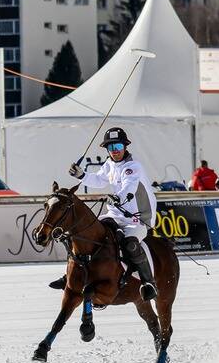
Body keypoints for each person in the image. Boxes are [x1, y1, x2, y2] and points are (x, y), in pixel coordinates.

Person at [60, 126, 159, 301]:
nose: (115, 152)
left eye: (118, 147)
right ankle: (70, 275)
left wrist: (118, 198)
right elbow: (99, 179)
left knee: (130, 244)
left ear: (125, 147)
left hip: (138, 218)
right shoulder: (109, 164)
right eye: (111, 148)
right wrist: (81, 175)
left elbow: (129, 187)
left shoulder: (133, 167)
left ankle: (148, 282)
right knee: (85, 232)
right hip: (115, 214)